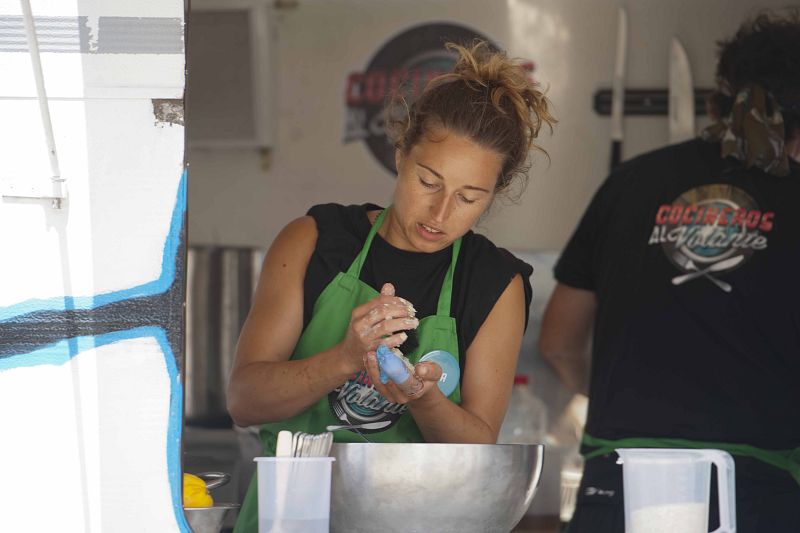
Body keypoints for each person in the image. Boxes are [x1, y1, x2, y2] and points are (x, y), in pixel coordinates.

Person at [228, 40, 555, 532]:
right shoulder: (315, 241)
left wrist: (422, 397)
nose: (440, 213)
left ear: (494, 194)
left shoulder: (493, 283)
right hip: (290, 519)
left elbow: (477, 448)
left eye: (468, 198)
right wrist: (344, 358)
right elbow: (244, 400)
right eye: (429, 182)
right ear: (401, 154)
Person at [539, 11, 800, 533]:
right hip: (754, 496)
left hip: (619, 489)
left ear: (715, 105)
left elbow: (558, 342)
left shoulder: (628, 183)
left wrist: (620, 397)